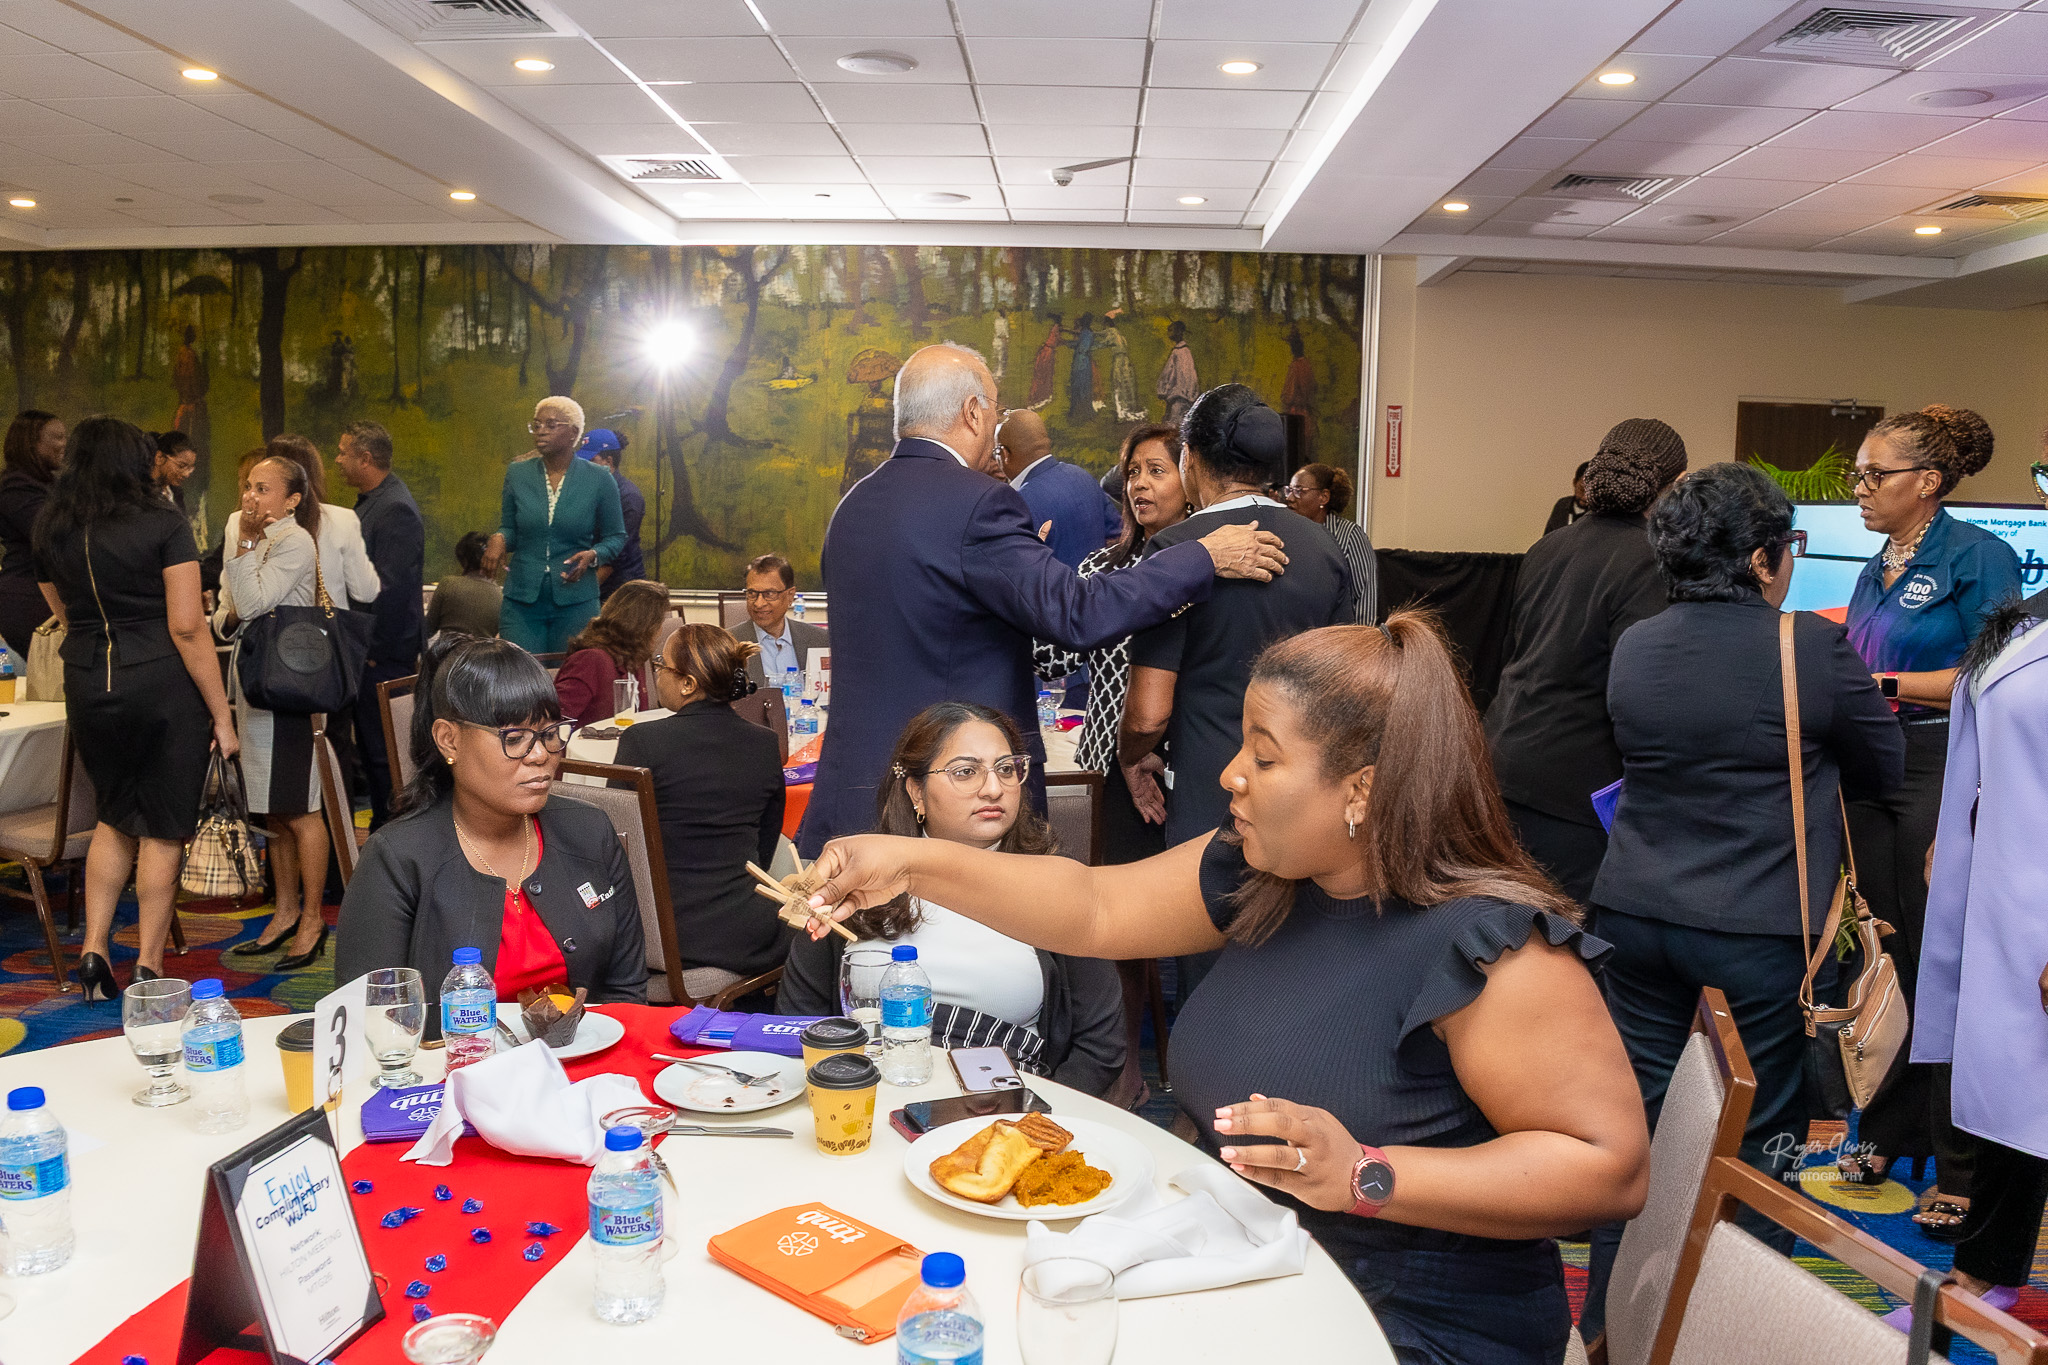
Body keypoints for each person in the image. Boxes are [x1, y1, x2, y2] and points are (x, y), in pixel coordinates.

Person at [800, 618, 1651, 1364]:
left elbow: (1609, 1169)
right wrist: (905, 860)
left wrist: (1365, 1172)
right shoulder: (1265, 873)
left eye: (1265, 756)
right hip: (1245, 1266)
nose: (1230, 774)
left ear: (1361, 788)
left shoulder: (1491, 945)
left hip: (1409, 1321)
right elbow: (1093, 906)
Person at [1582, 462, 1904, 1333]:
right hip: (1760, 925)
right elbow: (1885, 766)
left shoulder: (1636, 644)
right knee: (1760, 1138)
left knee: (1641, 1129)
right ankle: (1727, 1335)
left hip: (1636, 913)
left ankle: (1607, 1325)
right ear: (1763, 558)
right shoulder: (1807, 647)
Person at [797, 341, 1288, 859]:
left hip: (858, 794)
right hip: (953, 803)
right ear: (972, 412)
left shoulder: (853, 506)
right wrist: (1202, 556)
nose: (996, 424)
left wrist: (1020, 569)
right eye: (996, 408)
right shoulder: (978, 503)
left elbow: (928, 621)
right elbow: (1080, 612)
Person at [1839, 404, 2021, 1231]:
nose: (1860, 488)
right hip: (1873, 764)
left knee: (1944, 960)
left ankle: (1961, 1164)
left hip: (1942, 764)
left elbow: (1995, 674)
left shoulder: (1978, 557)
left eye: (1875, 474)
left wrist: (1881, 686)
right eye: (1859, 474)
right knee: (1890, 955)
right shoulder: (1875, 563)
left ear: (1929, 482)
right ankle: (1887, 1128)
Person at [782, 702, 1126, 1097]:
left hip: (1003, 1105)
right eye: (965, 772)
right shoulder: (862, 878)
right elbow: (796, 1022)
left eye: (1006, 769)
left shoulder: (1053, 886)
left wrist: (1037, 1116)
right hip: (863, 1095)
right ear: (916, 791)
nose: (993, 788)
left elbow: (1101, 1046)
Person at [30, 417, 237, 999]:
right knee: (164, 826)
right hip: (160, 680)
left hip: (88, 679)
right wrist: (222, 714)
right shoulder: (162, 521)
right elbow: (188, 626)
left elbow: (65, 615)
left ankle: (93, 953)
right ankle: (148, 964)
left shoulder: (50, 525)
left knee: (115, 815)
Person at [336, 635, 647, 1014]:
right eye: (514, 738)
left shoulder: (590, 831)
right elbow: (371, 1018)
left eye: (550, 734)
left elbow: (626, 990)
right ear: (449, 740)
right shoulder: (397, 858)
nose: (540, 755)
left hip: (588, 1050)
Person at [1910, 533, 2048, 1323]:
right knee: (2011, 1089)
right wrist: (1959, 829)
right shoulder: (2026, 621)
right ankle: (1984, 1273)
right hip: (2008, 898)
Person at [1123, 387, 1354, 852]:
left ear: (1189, 457)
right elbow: (1344, 688)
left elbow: (1149, 715)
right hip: (1300, 792)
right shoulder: (1325, 548)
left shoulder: (1176, 549)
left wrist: (1132, 756)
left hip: (1211, 790)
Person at [1485, 418, 1688, 908]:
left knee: (1500, 924)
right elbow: (1639, 689)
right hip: (1575, 788)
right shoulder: (1653, 561)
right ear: (1675, 484)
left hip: (1500, 764)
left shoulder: (1547, 546)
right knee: (1567, 937)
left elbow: (1516, 650)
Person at [1034, 424, 1191, 863]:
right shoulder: (1103, 568)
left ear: (1190, 480)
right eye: (1133, 472)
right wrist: (1038, 581)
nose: (1139, 483)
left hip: (1187, 766)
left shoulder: (1215, 568)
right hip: (1108, 761)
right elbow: (1051, 661)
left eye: (1156, 470)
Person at [616, 623, 787, 996]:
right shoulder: (764, 743)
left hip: (664, 932)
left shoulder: (641, 741)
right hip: (744, 931)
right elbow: (765, 847)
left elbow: (619, 847)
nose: (656, 672)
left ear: (688, 684)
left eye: (661, 664)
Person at [215, 455, 333, 973]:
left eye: (263, 489)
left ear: (292, 500)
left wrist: (244, 549)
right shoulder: (238, 529)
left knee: (301, 808)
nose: (250, 496)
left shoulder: (295, 540)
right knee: (272, 810)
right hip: (252, 685)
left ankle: (312, 918)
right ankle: (284, 912)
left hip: (289, 689)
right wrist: (231, 607)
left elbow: (251, 603)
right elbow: (225, 611)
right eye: (248, 485)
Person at [484, 396, 627, 654]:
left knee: (572, 673)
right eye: (537, 425)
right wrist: (500, 538)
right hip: (522, 601)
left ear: (573, 432)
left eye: (551, 425)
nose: (541, 431)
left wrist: (594, 555)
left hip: (576, 601)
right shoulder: (517, 473)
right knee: (521, 674)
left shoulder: (599, 478)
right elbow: (510, 529)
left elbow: (616, 536)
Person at [335, 420, 425, 831]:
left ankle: (393, 837)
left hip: (382, 656)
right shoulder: (375, 502)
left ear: (365, 458)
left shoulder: (394, 509)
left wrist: (372, 652)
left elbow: (391, 591)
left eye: (343, 452)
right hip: (372, 652)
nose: (337, 460)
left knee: (385, 754)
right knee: (375, 753)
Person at [998, 409, 1120, 571]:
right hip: (1099, 584)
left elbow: (1015, 571)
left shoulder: (1017, 503)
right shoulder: (1083, 476)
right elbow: (1118, 534)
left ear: (1005, 454)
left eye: (995, 452)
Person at [552, 578, 668, 725]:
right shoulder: (591, 660)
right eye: (659, 623)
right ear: (644, 625)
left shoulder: (634, 659)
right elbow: (553, 721)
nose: (660, 630)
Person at [1281, 461, 1379, 624]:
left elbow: (1365, 598)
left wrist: (1360, 638)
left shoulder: (1349, 535)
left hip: (1338, 633)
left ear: (1324, 497)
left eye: (1298, 491)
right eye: (1289, 490)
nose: (1289, 498)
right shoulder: (1287, 533)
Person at [0, 409, 63, 657]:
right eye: (57, 437)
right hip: (28, 597)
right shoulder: (16, 486)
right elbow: (51, 534)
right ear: (31, 443)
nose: (64, 444)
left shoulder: (50, 484)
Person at [732, 551, 828, 691]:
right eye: (752, 593)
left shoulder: (820, 640)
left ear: (790, 595)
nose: (759, 603)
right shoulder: (729, 644)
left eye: (769, 594)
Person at [579, 428, 648, 600]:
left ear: (608, 462)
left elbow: (615, 556)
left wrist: (580, 595)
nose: (584, 467)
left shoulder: (628, 496)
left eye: (590, 461)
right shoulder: (590, 491)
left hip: (622, 592)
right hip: (594, 584)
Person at [426, 531, 503, 640]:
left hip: (449, 650)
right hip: (483, 651)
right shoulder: (500, 596)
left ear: (463, 559)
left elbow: (428, 629)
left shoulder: (448, 584)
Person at [1155, 320, 1199, 428]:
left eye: (1171, 330)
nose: (1169, 333)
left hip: (1181, 398)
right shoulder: (1177, 351)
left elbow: (1187, 376)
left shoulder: (1183, 352)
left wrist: (1189, 395)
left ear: (1179, 332)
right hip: (1175, 397)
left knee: (1177, 425)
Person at [151, 430, 197, 518]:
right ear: (159, 457)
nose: (186, 474)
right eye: (181, 466)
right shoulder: (138, 494)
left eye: (190, 468)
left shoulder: (176, 494)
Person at [1544, 461, 1590, 535]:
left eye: (1590, 493)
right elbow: (1547, 537)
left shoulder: (1597, 512)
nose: (1585, 497)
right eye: (1581, 490)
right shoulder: (1562, 505)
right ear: (1574, 483)